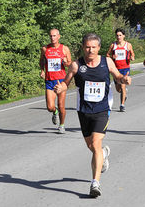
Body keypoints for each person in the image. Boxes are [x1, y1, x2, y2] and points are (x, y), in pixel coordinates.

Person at [54, 33, 131, 197]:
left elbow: (117, 76)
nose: (90, 50)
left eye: (94, 47)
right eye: (87, 47)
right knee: (91, 146)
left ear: (99, 48)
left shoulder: (106, 62)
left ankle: (95, 183)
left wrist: (123, 79)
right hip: (84, 110)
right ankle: (103, 155)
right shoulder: (76, 65)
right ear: (83, 47)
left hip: (102, 109)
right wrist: (61, 88)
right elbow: (66, 83)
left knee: (96, 143)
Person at [39, 29, 72, 134]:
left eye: (54, 36)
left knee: (61, 105)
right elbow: (41, 61)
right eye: (51, 36)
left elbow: (70, 63)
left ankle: (62, 125)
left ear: (59, 36)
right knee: (49, 107)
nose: (52, 38)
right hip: (49, 80)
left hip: (61, 81)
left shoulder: (64, 49)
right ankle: (55, 112)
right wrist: (42, 70)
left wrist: (66, 63)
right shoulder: (45, 49)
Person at [106, 28, 135, 112]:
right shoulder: (113, 45)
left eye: (120, 35)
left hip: (125, 69)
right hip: (116, 70)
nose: (118, 37)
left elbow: (132, 54)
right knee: (118, 89)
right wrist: (112, 57)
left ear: (124, 36)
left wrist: (132, 57)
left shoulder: (128, 45)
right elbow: (107, 55)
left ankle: (122, 105)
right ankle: (124, 93)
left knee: (122, 86)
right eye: (117, 35)